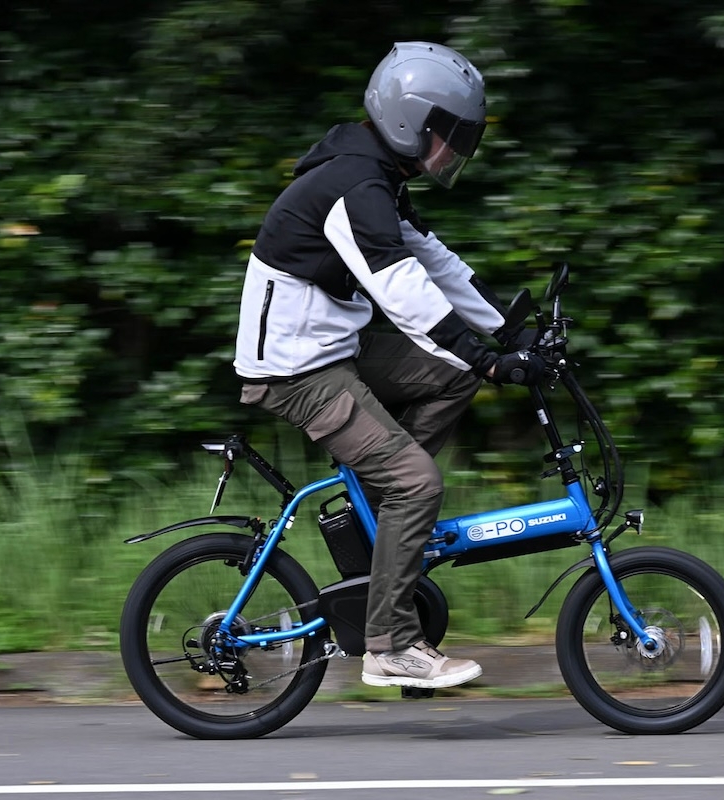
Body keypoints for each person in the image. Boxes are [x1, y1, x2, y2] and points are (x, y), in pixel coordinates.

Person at [232, 41, 545, 690]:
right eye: (449, 136)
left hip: (332, 349)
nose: (455, 151)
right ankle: (392, 644)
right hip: (296, 370)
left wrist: (515, 333)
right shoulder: (353, 188)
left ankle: (382, 514)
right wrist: (488, 360)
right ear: (411, 123)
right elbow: (403, 292)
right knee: (418, 482)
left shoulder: (376, 178)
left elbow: (437, 264)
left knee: (449, 379)